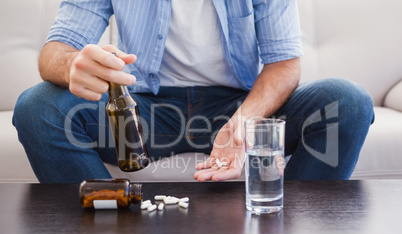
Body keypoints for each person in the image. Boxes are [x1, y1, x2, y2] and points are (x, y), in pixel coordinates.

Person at [13, 0, 374, 183]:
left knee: (348, 102)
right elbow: (55, 51)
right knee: (37, 107)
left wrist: (242, 125)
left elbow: (285, 64)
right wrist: (73, 63)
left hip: (238, 106)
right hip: (144, 111)